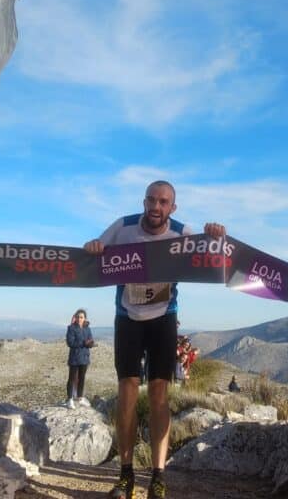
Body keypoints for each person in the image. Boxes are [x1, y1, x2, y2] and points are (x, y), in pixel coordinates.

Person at [84, 180, 225, 499]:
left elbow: (213, 255)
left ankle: (158, 476)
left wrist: (215, 236)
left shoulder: (182, 232)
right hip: (128, 317)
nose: (156, 207)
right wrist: (92, 247)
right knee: (127, 392)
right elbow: (95, 251)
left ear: (172, 207)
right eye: (151, 200)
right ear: (144, 201)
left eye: (163, 202)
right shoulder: (123, 226)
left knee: (160, 394)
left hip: (164, 318)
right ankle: (126, 475)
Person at [65, 308, 94, 409]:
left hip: (84, 357)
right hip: (74, 358)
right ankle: (70, 399)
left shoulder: (87, 329)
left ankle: (80, 398)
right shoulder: (71, 328)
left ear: (84, 318)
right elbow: (70, 342)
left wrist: (90, 343)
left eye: (81, 317)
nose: (79, 319)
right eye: (77, 317)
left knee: (82, 378)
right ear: (75, 318)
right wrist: (84, 343)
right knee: (72, 379)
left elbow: (90, 339)